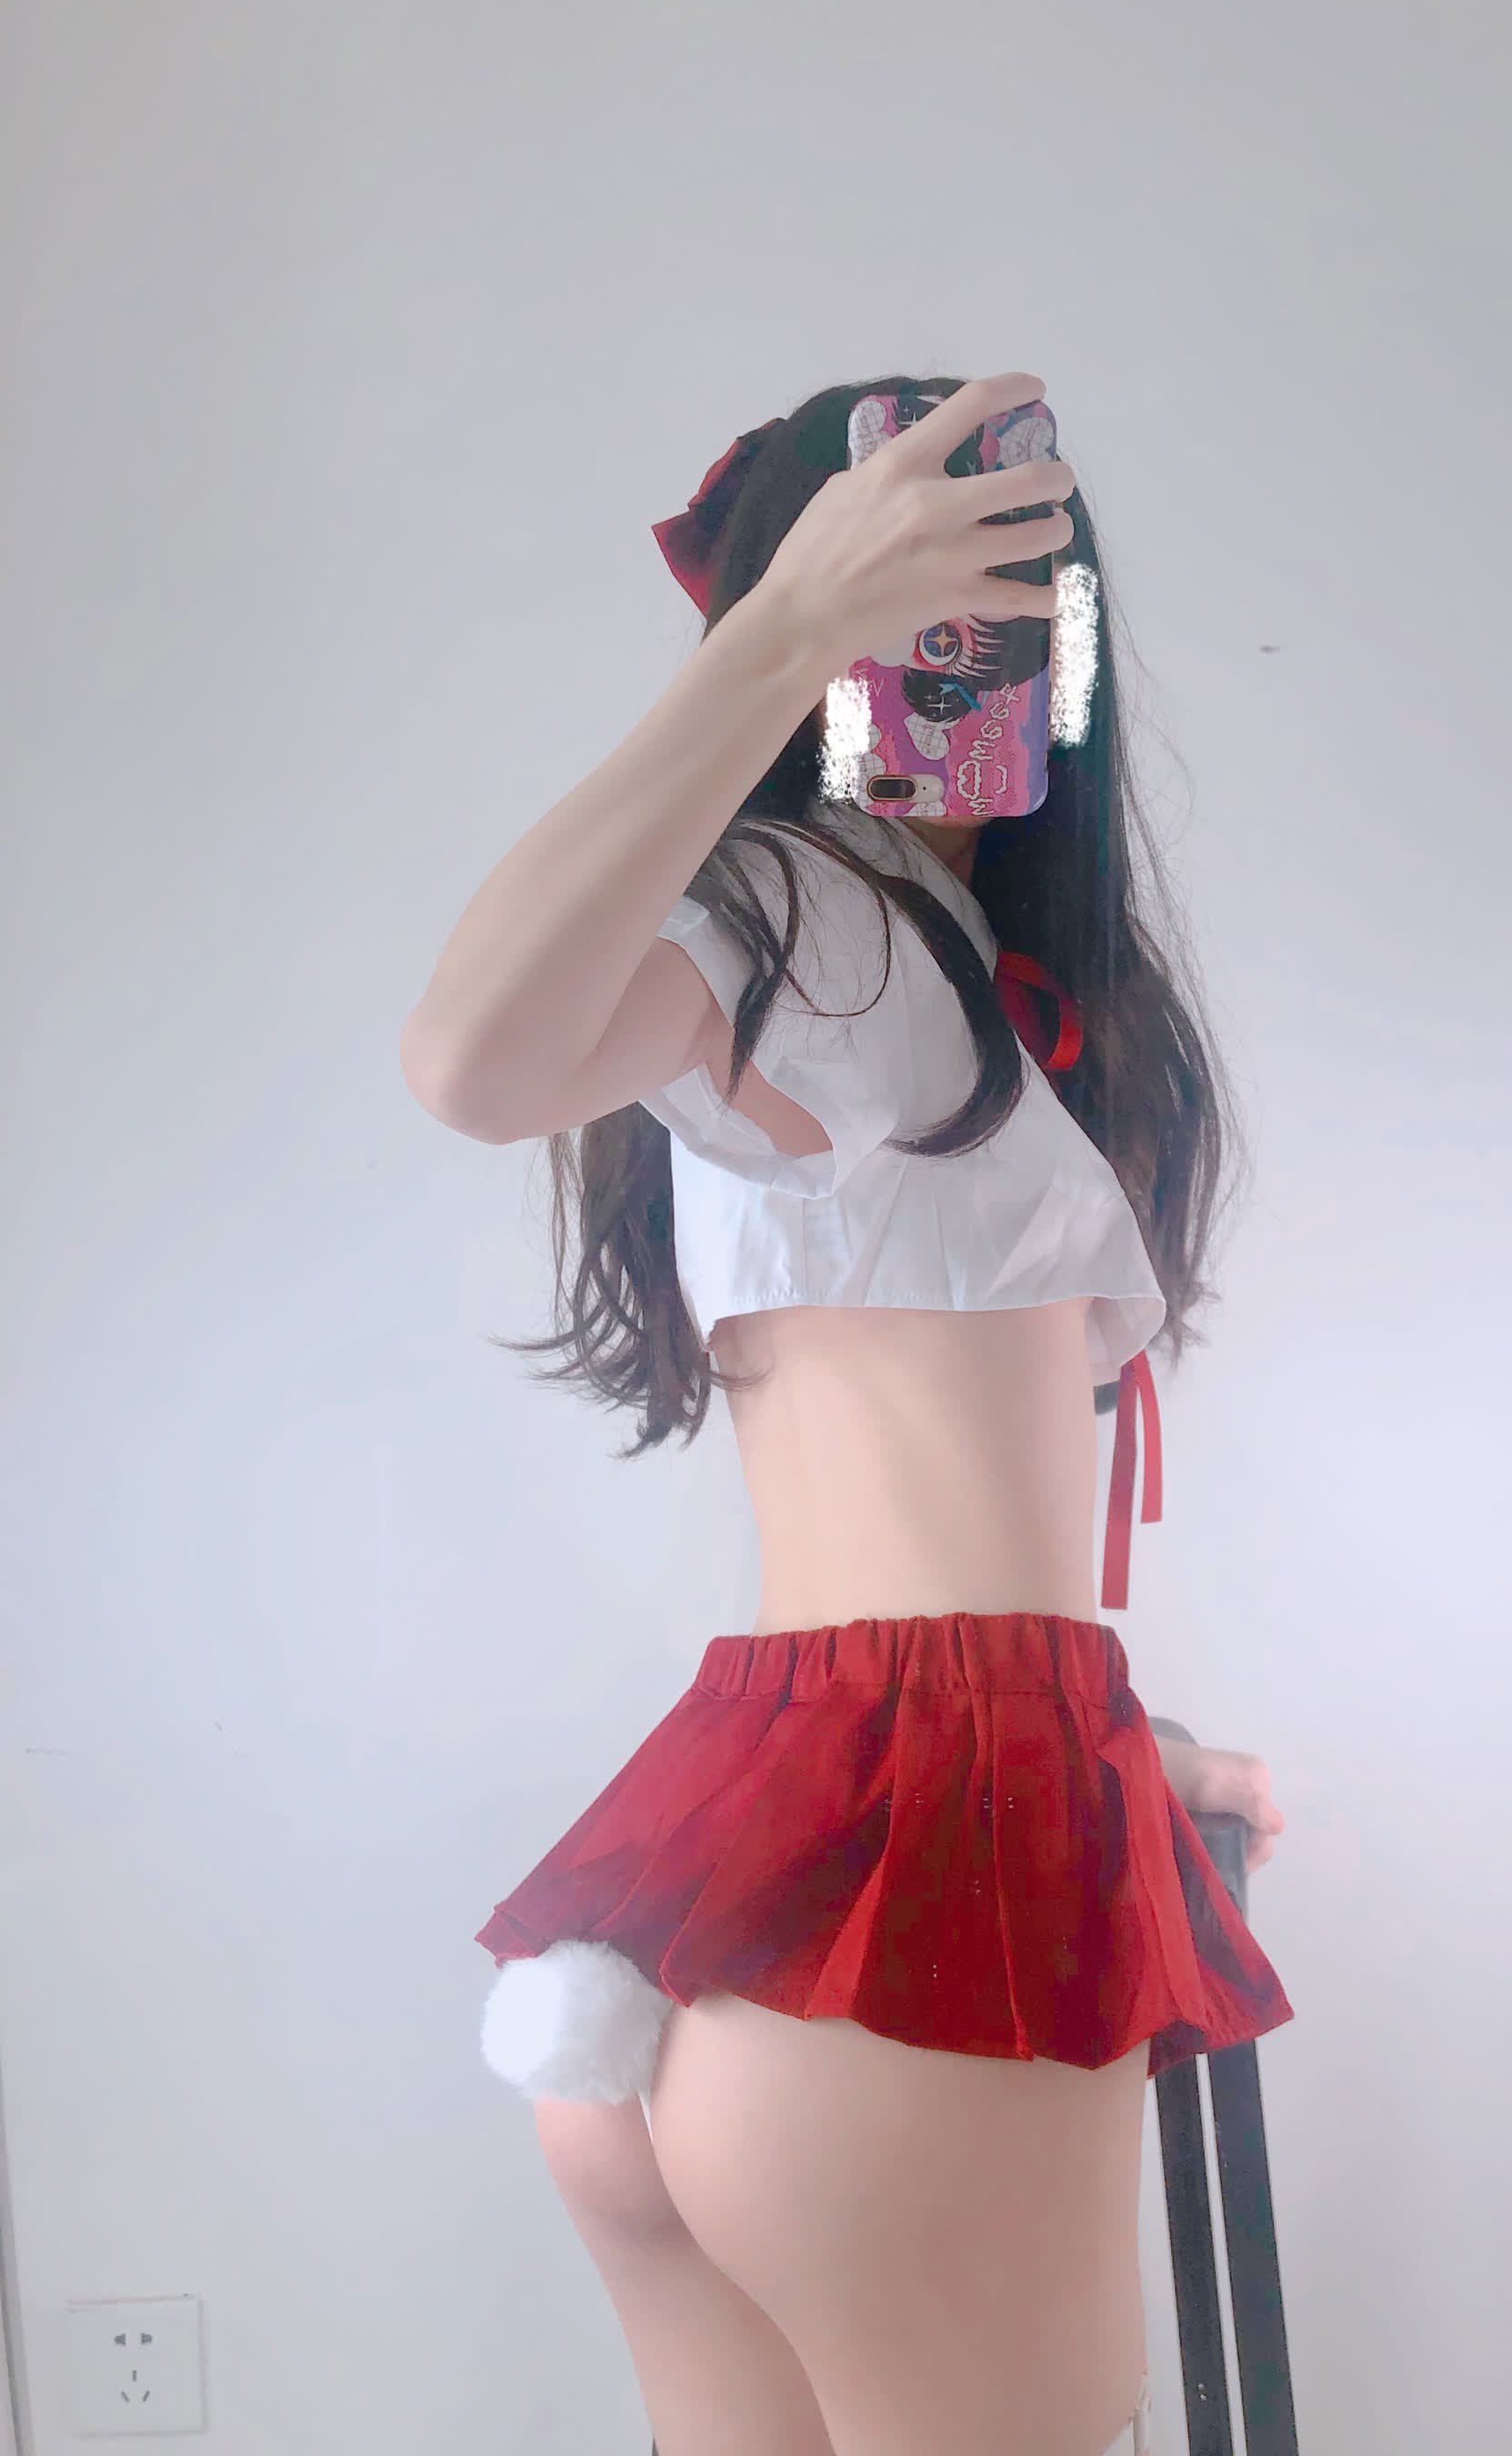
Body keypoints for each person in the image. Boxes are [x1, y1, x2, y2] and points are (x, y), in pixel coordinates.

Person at [400, 370, 1293, 2456]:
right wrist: (781, 642)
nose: (965, 652)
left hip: (796, 1837)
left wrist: (1135, 1749)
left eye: (1011, 599)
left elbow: (941, 1510)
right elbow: (469, 1058)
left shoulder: (933, 950)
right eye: (910, 604)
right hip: (914, 1885)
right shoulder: (808, 905)